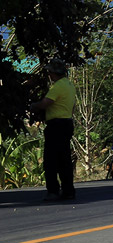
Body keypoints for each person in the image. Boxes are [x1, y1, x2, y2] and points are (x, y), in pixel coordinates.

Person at [29, 60, 76, 201]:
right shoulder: (69, 85)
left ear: (55, 73)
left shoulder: (57, 86)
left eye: (50, 72)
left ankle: (53, 191)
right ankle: (68, 190)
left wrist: (34, 105)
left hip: (56, 125)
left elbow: (46, 103)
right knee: (64, 159)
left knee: (51, 160)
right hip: (66, 122)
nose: (49, 74)